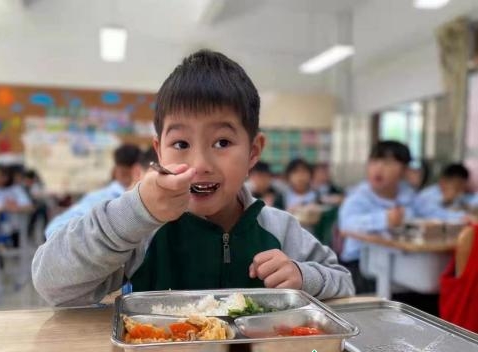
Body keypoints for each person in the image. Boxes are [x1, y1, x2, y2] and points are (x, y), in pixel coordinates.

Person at [32, 49, 354, 306]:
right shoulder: (141, 231)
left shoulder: (280, 229)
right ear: (159, 152)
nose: (200, 164)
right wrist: (134, 212)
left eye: (222, 143)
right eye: (181, 144)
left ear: (254, 152)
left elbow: (344, 281)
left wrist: (302, 276)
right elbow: (52, 285)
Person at [339, 140, 415, 293]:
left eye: (388, 163)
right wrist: (384, 219)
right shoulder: (359, 196)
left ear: (404, 170)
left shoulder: (408, 194)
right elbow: (346, 225)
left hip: (398, 265)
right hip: (360, 267)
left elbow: (427, 214)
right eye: (374, 161)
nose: (378, 168)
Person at [44, 144, 152, 238]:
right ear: (138, 169)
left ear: (115, 169)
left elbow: (53, 230)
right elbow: (55, 230)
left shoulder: (99, 197)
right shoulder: (102, 198)